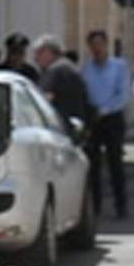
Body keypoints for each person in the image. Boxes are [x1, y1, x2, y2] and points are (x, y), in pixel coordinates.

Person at [31, 35, 98, 223]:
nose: (35, 59)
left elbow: (45, 101)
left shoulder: (55, 71)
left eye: (38, 54)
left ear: (48, 52)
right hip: (75, 131)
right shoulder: (70, 68)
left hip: (59, 134)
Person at [79, 30, 133, 217]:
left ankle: (121, 205)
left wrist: (106, 109)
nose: (97, 49)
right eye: (93, 45)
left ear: (106, 44)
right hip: (93, 120)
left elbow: (124, 94)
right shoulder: (86, 68)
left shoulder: (119, 66)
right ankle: (95, 207)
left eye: (100, 44)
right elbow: (84, 92)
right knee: (92, 165)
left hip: (113, 118)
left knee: (115, 163)